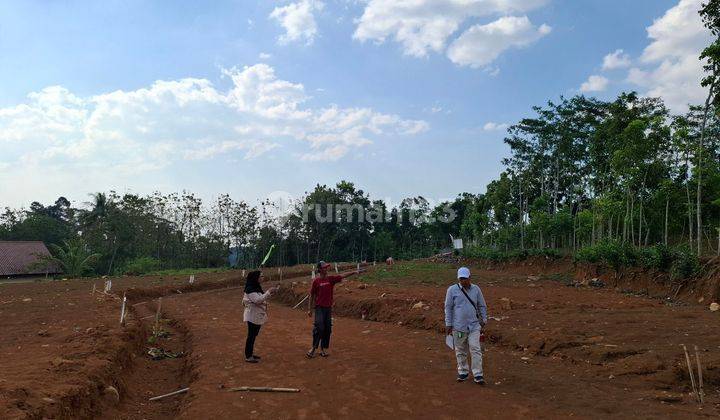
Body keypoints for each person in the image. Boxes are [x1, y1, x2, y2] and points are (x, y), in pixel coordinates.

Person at [306, 261, 359, 358]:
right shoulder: (316, 282)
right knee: (319, 327)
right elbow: (312, 295)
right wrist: (309, 309)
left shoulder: (331, 279)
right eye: (324, 267)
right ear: (320, 270)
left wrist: (354, 272)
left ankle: (322, 349)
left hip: (328, 308)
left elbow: (342, 275)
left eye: (326, 267)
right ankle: (313, 348)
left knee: (327, 329)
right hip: (319, 308)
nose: (326, 269)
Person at [444, 266, 488, 384]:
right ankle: (463, 371)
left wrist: (484, 319)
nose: (463, 281)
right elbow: (448, 308)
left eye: (465, 278)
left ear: (470, 277)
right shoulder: (452, 290)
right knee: (460, 350)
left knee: (475, 348)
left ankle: (478, 374)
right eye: (460, 279)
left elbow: (482, 305)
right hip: (458, 327)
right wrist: (448, 324)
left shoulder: (476, 289)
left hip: (474, 326)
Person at [242, 270, 278, 363]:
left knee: (253, 335)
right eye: (261, 276)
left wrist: (270, 293)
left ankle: (250, 354)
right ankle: (248, 356)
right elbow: (258, 300)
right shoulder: (250, 289)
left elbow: (261, 298)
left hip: (256, 315)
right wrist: (268, 292)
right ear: (256, 278)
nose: (263, 277)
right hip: (252, 315)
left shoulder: (256, 288)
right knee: (251, 335)